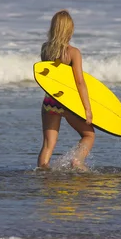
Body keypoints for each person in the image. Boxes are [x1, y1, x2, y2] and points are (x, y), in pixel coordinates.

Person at [38, 10, 94, 170]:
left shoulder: (45, 49)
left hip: (50, 101)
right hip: (67, 102)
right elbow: (79, 82)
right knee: (89, 135)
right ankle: (77, 161)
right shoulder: (73, 53)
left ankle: (42, 171)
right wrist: (87, 109)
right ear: (70, 29)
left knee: (48, 144)